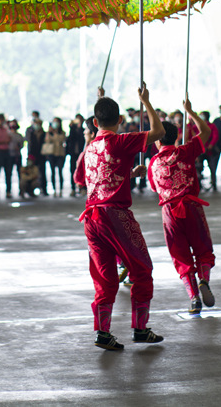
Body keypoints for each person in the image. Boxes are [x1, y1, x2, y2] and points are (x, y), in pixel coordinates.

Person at [80, 85, 165, 352]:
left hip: (91, 219)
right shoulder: (121, 140)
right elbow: (159, 132)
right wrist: (146, 102)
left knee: (105, 276)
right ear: (119, 120)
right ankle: (140, 328)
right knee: (142, 269)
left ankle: (102, 332)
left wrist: (129, 173)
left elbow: (95, 178)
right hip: (114, 214)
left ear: (95, 122)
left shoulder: (90, 148)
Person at [147, 99, 216, 315]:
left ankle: (194, 297)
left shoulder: (153, 163)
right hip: (192, 207)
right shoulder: (185, 151)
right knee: (203, 250)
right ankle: (204, 279)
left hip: (169, 213)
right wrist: (190, 112)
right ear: (176, 137)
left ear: (157, 141)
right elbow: (205, 132)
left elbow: (154, 188)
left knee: (181, 257)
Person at [25, 112, 47, 195]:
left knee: (42, 172)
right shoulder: (30, 131)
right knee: (31, 172)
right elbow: (28, 142)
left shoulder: (44, 133)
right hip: (32, 155)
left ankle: (43, 189)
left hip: (41, 155)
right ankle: (30, 190)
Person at [44, 118, 67, 196]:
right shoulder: (49, 133)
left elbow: (61, 139)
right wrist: (50, 132)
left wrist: (55, 134)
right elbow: (47, 141)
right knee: (52, 172)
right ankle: (54, 189)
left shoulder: (62, 132)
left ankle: (60, 189)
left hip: (60, 154)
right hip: (52, 154)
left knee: (60, 172)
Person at [66, 114, 86, 197]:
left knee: (82, 171)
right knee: (73, 170)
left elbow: (82, 139)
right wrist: (72, 127)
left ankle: (82, 188)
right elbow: (70, 139)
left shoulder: (84, 130)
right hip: (73, 153)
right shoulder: (72, 130)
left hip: (81, 153)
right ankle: (73, 188)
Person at [8, 119, 26, 196]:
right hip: (10, 155)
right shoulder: (8, 135)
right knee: (9, 173)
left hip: (18, 155)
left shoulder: (19, 136)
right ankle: (8, 190)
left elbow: (22, 145)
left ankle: (21, 190)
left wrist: (19, 147)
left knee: (20, 173)